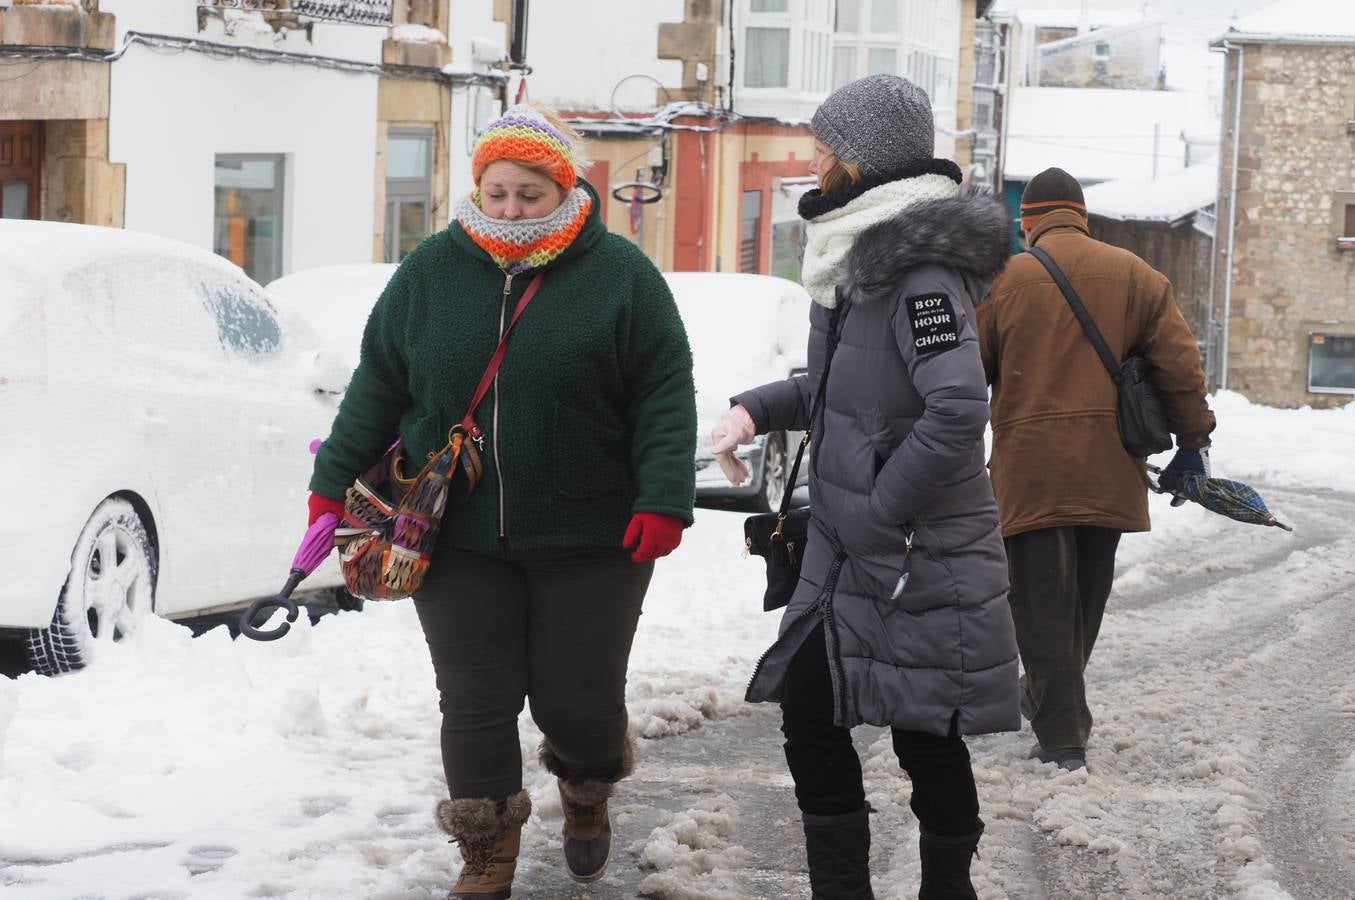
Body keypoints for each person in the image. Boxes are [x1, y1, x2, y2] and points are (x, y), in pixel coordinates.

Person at [305, 103, 696, 899]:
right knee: (475, 699)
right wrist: (327, 489)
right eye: (497, 192)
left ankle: (586, 789)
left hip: (591, 535)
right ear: (476, 190)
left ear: (564, 190)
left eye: (530, 193)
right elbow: (379, 383)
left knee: (576, 701)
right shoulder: (430, 272)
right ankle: (486, 852)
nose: (511, 209)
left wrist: (663, 496)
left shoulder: (622, 277)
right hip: (454, 535)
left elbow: (663, 394)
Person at [711, 74, 1019, 899]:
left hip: (913, 552)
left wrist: (880, 513)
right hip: (853, 554)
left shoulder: (917, 270)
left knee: (925, 734)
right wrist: (754, 409)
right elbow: (843, 388)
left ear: (858, 158)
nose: (812, 160)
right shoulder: (854, 257)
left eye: (824, 145)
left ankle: (947, 888)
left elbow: (957, 409)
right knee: (810, 711)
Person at [977, 167, 1216, 772]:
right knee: (1085, 598)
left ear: (1027, 222)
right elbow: (1180, 366)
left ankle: (1062, 736)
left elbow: (964, 375)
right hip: (1109, 463)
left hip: (1028, 471)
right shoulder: (1138, 276)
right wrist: (1193, 442)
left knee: (1037, 602)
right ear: (1080, 215)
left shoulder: (1001, 283)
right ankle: (1055, 704)